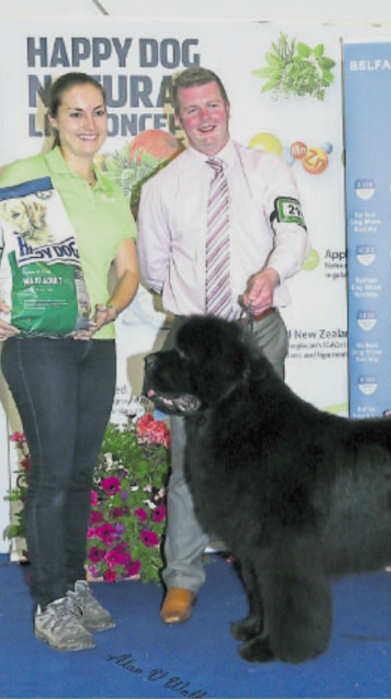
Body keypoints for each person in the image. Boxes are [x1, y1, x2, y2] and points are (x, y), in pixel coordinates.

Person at [137, 67, 309, 624]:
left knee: (265, 457)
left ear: (228, 107)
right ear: (178, 118)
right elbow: (156, 272)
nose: (203, 118)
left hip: (257, 332)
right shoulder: (161, 188)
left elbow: (294, 233)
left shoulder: (269, 169)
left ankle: (272, 564)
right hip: (193, 346)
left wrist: (272, 274)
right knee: (190, 461)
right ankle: (182, 578)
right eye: (191, 110)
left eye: (211, 105)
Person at [0, 73, 139, 649]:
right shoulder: (23, 178)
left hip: (95, 344)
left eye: (98, 112)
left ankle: (75, 582)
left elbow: (129, 270)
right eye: (75, 113)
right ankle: (51, 601)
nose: (89, 124)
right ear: (51, 120)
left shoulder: (111, 187)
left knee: (80, 474)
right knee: (54, 472)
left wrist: (113, 306)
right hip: (36, 343)